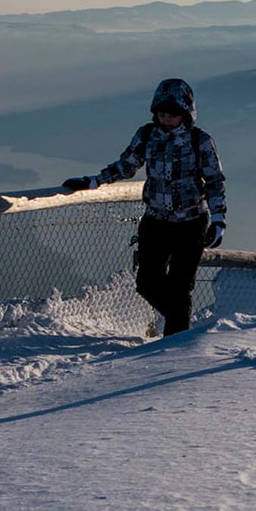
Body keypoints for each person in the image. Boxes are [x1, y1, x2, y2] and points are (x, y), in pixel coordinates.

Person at [61, 77, 224, 337]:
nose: (167, 119)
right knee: (147, 283)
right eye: (162, 113)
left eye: (173, 114)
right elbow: (126, 165)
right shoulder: (147, 135)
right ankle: (180, 326)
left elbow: (214, 181)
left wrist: (218, 219)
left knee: (181, 288)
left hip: (191, 224)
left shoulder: (199, 141)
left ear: (186, 113)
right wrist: (93, 182)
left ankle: (175, 347)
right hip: (156, 222)